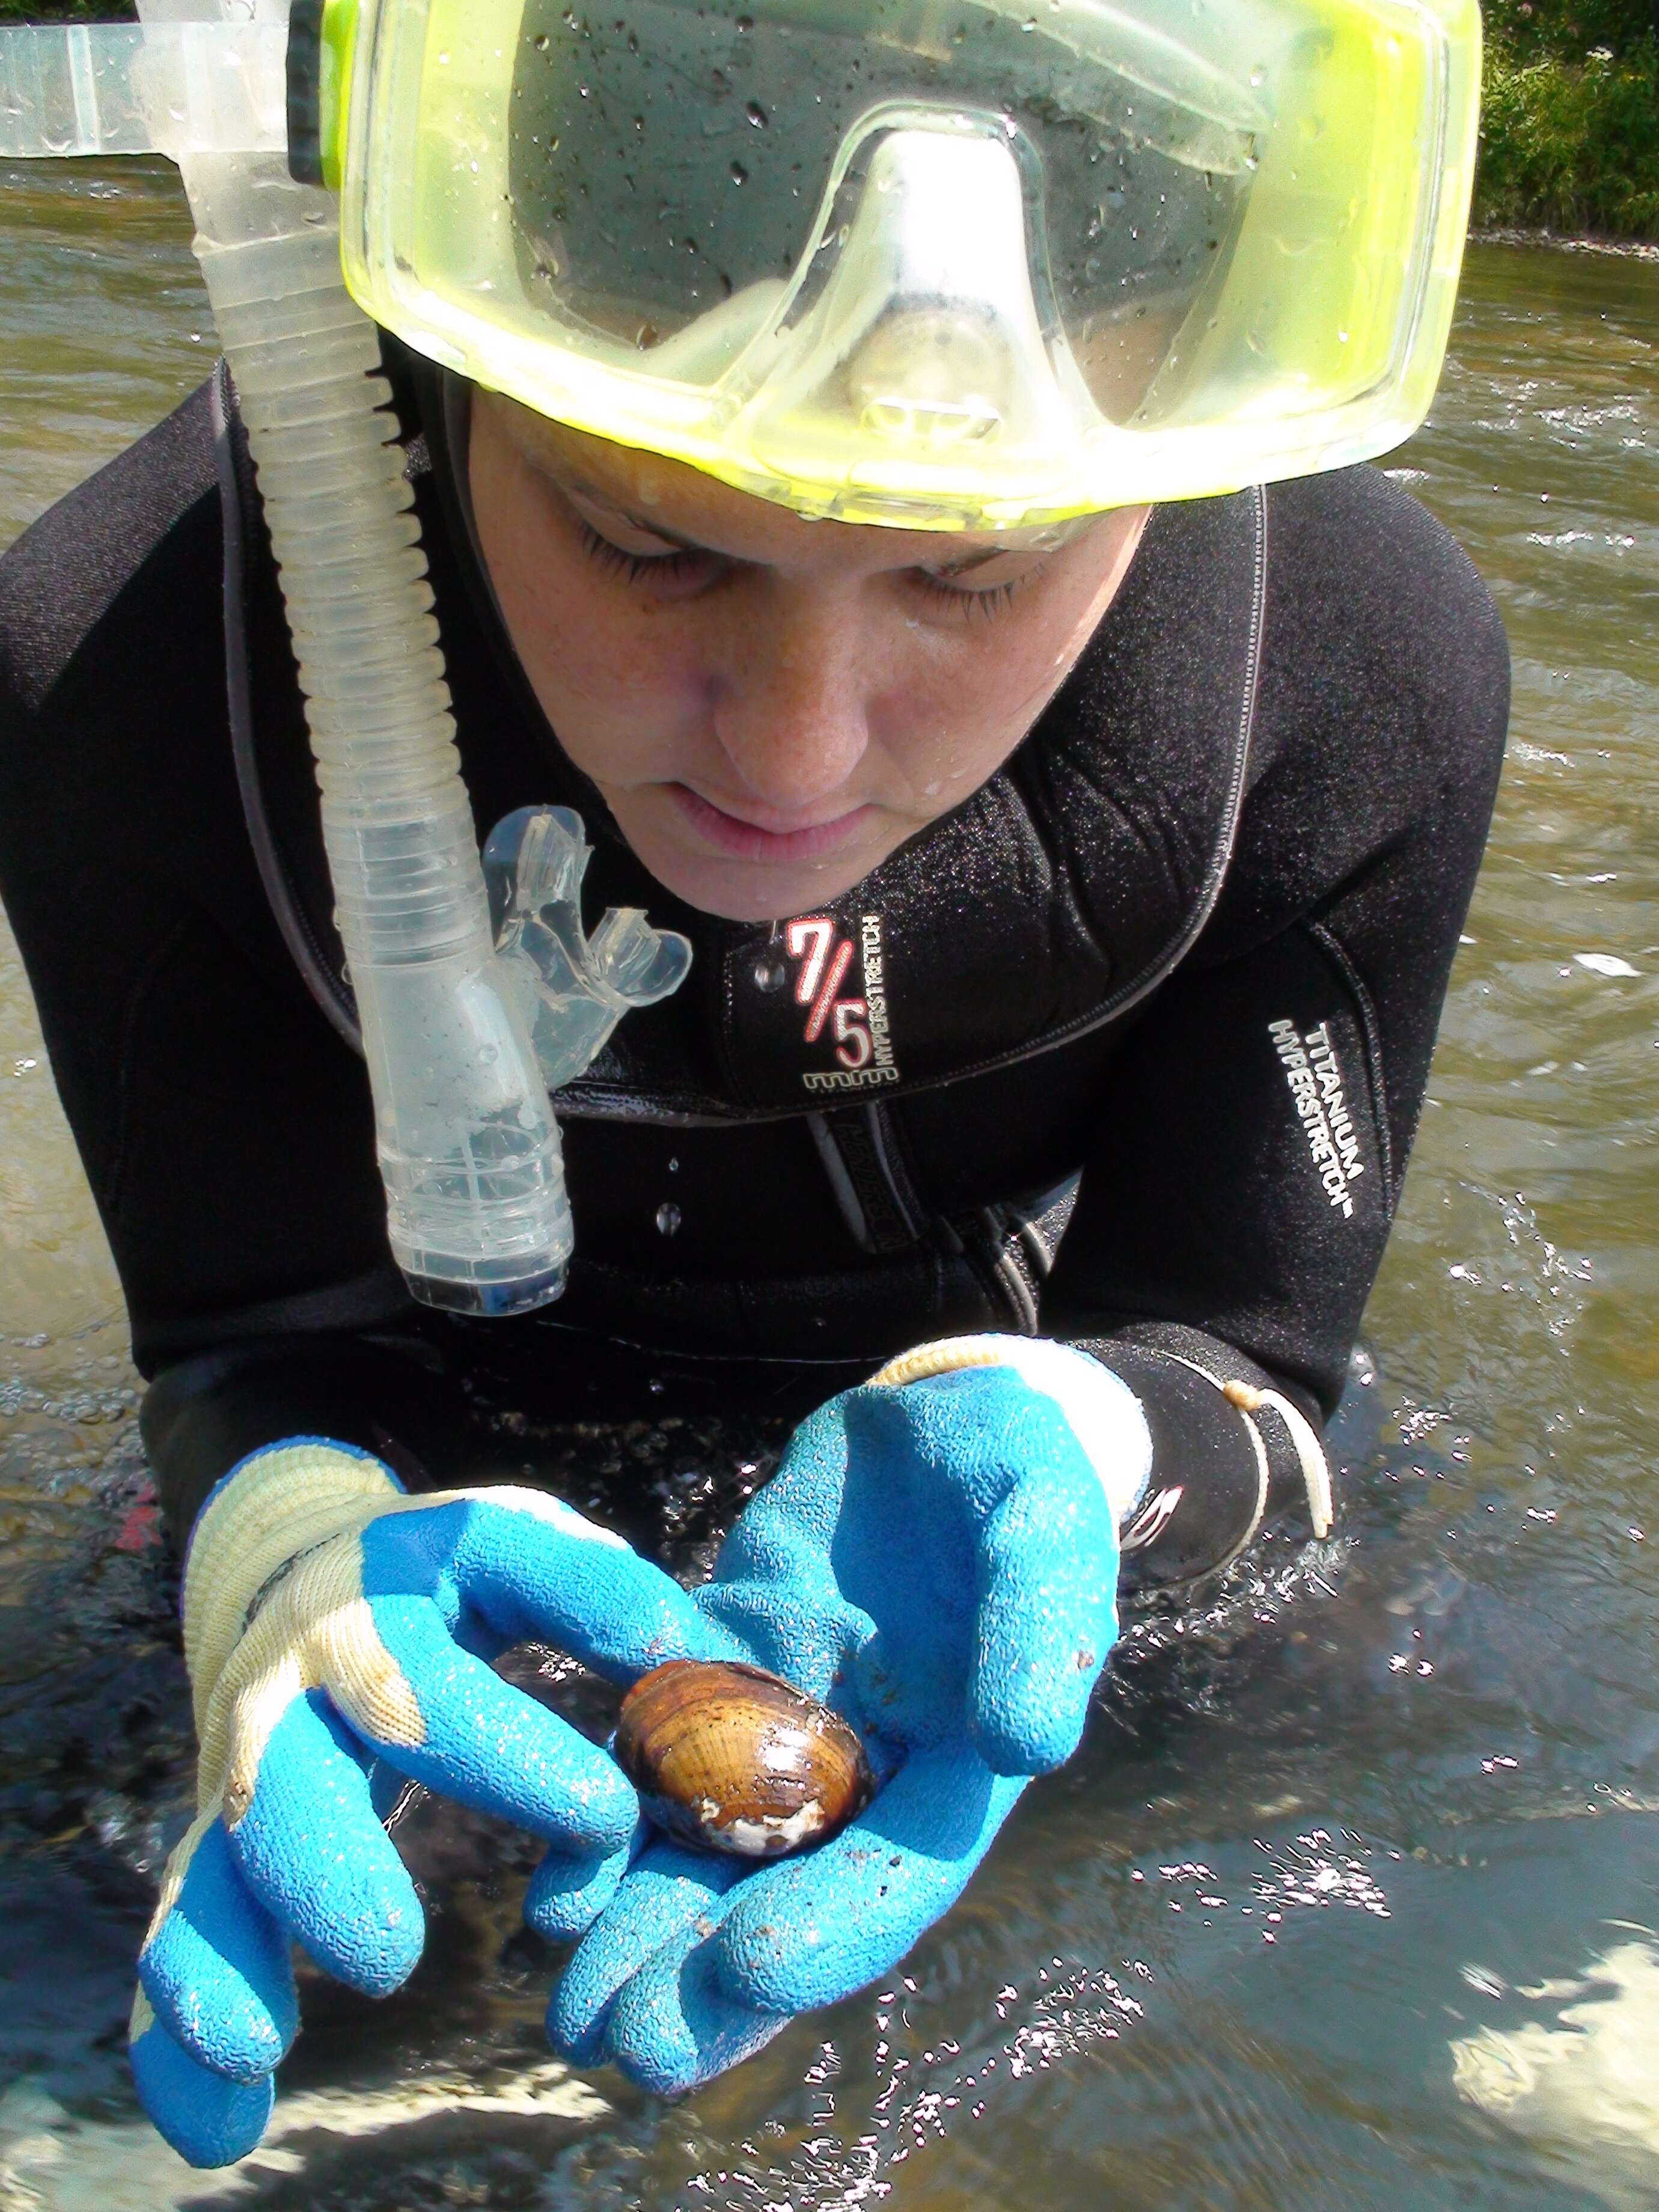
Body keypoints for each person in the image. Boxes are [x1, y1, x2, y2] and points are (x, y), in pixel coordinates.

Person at [0, 0, 1502, 2172]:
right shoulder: (133, 664)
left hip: (972, 1525)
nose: (794, 758)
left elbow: (1255, 1361)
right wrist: (287, 1554)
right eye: (652, 543)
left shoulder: (1356, 663)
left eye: (972, 571)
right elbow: (251, 1344)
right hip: (420, 1493)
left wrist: (1090, 1428)